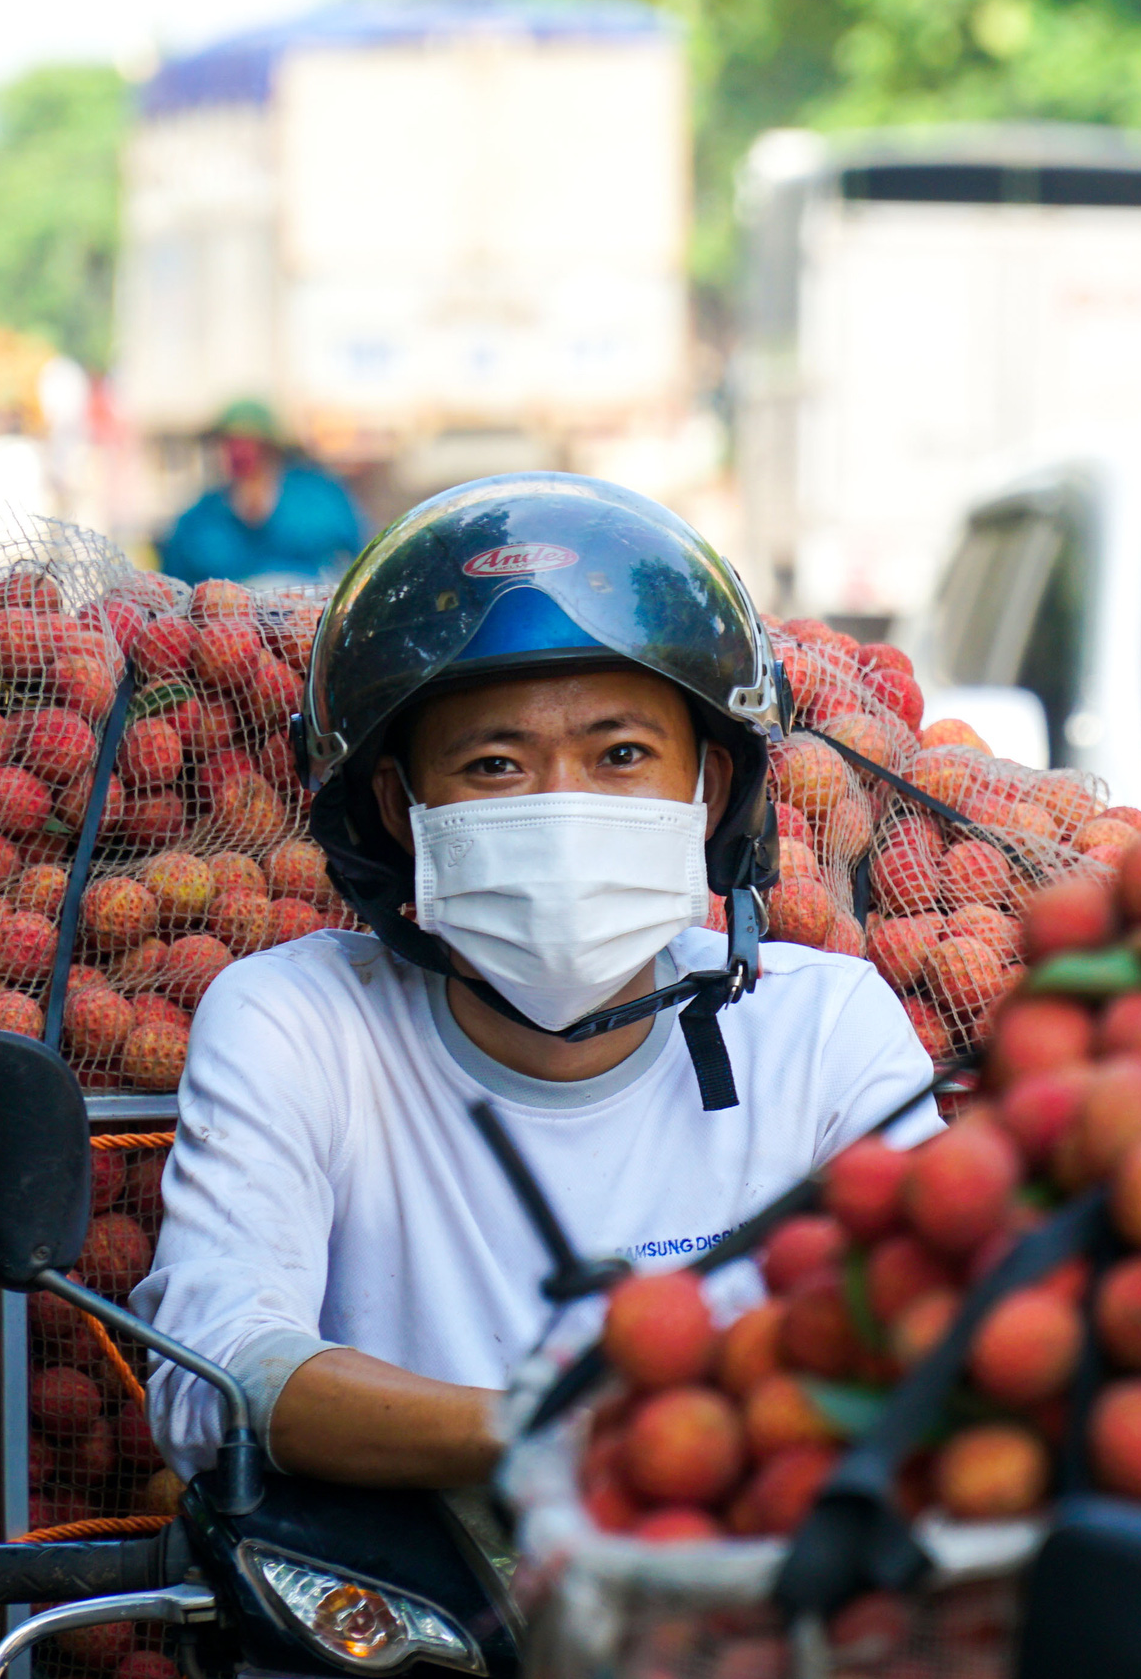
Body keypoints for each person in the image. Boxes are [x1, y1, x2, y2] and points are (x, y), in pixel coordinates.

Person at [132, 473, 938, 1487]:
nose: (562, 806)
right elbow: (218, 1369)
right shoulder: (297, 1025)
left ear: (710, 787)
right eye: (495, 767)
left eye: (621, 753)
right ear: (398, 808)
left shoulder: (821, 1030)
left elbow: (938, 1332)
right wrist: (557, 1436)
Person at [158, 399, 364, 586]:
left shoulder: (319, 497)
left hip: (310, 620)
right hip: (229, 623)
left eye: (247, 443)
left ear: (271, 447)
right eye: (228, 443)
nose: (237, 452)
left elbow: (358, 556)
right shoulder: (200, 518)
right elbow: (174, 584)